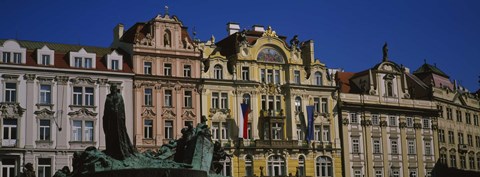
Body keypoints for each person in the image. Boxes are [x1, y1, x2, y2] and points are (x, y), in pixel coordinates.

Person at [103, 84, 136, 160]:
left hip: (118, 120)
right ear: (110, 89)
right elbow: (106, 109)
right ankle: (111, 151)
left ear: (116, 89)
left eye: (114, 88)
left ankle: (122, 151)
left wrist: (116, 110)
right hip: (110, 120)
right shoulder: (108, 97)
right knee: (111, 135)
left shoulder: (119, 96)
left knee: (119, 135)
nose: (113, 89)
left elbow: (120, 106)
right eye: (112, 88)